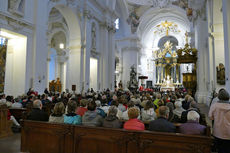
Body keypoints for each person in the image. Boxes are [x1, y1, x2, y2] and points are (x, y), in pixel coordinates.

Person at [209, 89, 230, 153]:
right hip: (228, 132)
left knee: (219, 149)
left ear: (219, 97)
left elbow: (210, 117)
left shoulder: (215, 106)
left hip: (218, 132)